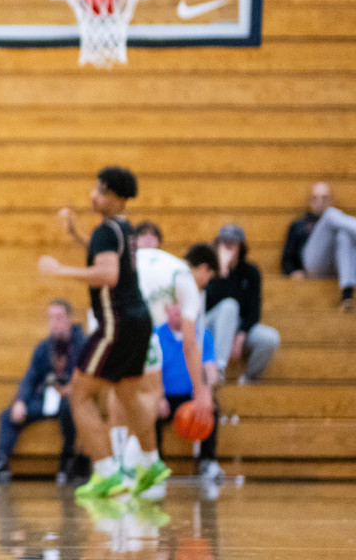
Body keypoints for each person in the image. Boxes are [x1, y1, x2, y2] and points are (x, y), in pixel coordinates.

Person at [37, 166, 163, 499]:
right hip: (139, 321)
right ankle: (151, 464)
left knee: (79, 394)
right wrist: (77, 234)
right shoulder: (124, 229)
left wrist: (60, 269)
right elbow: (105, 254)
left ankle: (107, 473)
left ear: (117, 198)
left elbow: (107, 274)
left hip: (116, 323)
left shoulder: (107, 231)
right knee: (126, 392)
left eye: (101, 191)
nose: (94, 195)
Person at [107, 226, 218, 500]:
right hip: (127, 311)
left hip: (111, 303)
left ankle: (124, 464)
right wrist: (202, 392)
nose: (204, 285)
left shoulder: (164, 262)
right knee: (149, 393)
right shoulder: (186, 281)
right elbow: (191, 344)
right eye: (208, 280)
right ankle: (139, 466)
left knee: (124, 389)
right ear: (203, 270)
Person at [0, 299, 86, 484]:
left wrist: (71, 389)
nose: (55, 322)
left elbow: (88, 377)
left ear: (70, 318)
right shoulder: (45, 347)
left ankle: (67, 460)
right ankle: (1, 463)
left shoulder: (82, 344)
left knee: (68, 407)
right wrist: (20, 400)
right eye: (51, 318)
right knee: (9, 414)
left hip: (71, 400)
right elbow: (30, 377)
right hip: (48, 399)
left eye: (59, 317)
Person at [204, 224, 281, 384]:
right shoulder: (209, 270)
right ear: (217, 244)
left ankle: (249, 379)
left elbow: (254, 310)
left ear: (241, 246)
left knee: (270, 338)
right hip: (211, 325)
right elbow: (208, 303)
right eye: (224, 242)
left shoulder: (251, 272)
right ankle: (218, 369)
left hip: (239, 327)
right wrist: (222, 269)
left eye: (233, 242)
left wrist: (239, 336)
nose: (228, 246)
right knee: (229, 306)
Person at [155, 302, 223, 480]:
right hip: (164, 395)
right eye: (173, 306)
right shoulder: (156, 335)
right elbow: (151, 371)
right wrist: (158, 396)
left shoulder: (201, 334)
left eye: (181, 306)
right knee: (149, 409)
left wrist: (204, 391)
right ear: (166, 309)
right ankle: (155, 463)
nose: (177, 310)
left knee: (212, 407)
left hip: (191, 395)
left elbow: (210, 368)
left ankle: (207, 461)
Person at [283, 182, 356, 311]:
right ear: (309, 201)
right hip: (313, 266)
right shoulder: (298, 225)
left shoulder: (339, 223)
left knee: (343, 234)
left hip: (337, 266)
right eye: (315, 198)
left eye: (324, 198)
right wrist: (292, 270)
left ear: (331, 200)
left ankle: (347, 293)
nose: (320, 202)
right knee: (331, 215)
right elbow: (286, 257)